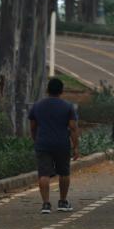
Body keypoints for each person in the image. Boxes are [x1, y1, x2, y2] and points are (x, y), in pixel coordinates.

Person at [29, 78, 79, 214]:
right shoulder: (68, 106)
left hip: (43, 143)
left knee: (44, 174)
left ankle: (46, 204)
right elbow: (73, 128)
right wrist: (76, 147)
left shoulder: (37, 106)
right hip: (62, 144)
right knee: (64, 173)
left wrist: (36, 140)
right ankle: (63, 202)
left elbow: (33, 127)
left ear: (47, 90)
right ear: (61, 91)